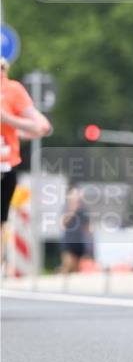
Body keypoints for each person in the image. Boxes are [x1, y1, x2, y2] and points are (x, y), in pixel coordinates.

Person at [1, 57, 52, 271]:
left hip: (5, 165)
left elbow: (42, 127)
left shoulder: (13, 90)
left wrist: (8, 121)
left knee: (1, 220)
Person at [60, 187, 92, 273]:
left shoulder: (83, 211)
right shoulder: (66, 209)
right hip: (69, 242)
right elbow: (62, 224)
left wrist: (89, 246)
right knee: (68, 264)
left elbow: (87, 229)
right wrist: (72, 211)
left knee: (76, 269)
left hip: (79, 242)